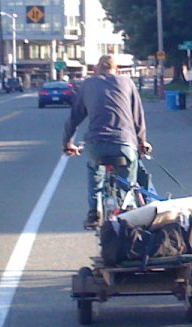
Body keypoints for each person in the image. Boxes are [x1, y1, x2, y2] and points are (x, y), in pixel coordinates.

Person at [62, 55, 152, 229]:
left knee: (94, 170)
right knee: (128, 182)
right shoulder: (127, 83)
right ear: (116, 69)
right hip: (124, 143)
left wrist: (68, 143)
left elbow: (74, 118)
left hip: (96, 143)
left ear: (96, 69)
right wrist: (142, 142)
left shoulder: (87, 85)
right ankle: (128, 208)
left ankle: (94, 212)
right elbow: (138, 117)